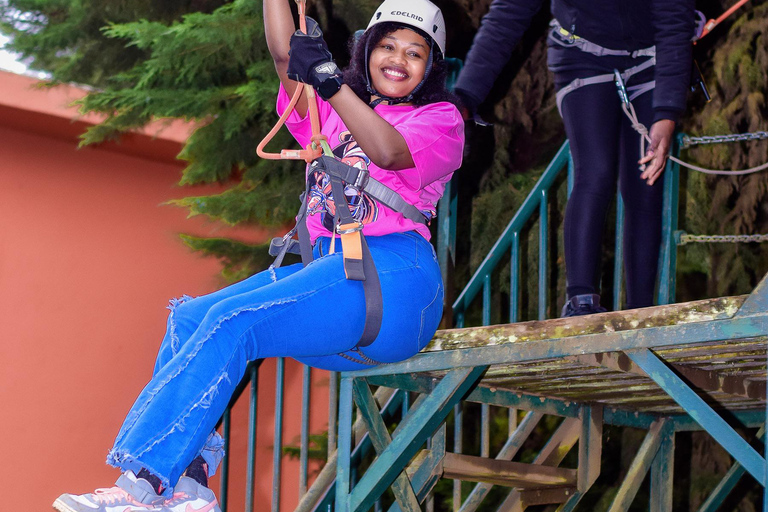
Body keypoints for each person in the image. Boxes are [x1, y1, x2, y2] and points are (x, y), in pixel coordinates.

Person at [53, 0, 463, 511]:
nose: (397, 59)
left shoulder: (440, 119)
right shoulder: (332, 115)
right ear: (367, 49)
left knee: (234, 320)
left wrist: (331, 81)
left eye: (414, 52)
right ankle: (187, 482)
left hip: (396, 283)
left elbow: (387, 152)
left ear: (431, 68)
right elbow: (282, 54)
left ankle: (145, 483)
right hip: (337, 277)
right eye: (386, 45)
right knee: (191, 317)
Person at [454, 0, 695, 315]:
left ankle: (642, 311)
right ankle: (581, 302)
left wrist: (667, 112)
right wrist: (465, 97)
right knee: (595, 171)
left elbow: (675, 19)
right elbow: (507, 16)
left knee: (645, 183)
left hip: (649, 58)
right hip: (582, 55)